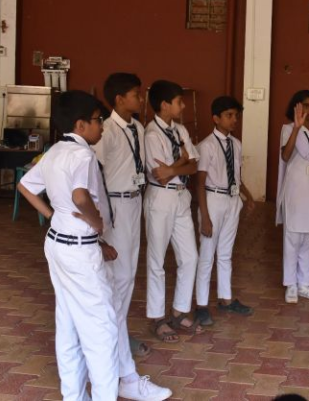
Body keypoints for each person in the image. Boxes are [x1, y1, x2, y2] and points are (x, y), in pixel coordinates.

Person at [18, 90, 172, 401]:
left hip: (59, 243)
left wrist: (53, 216)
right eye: (97, 121)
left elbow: (25, 186)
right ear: (80, 124)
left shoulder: (55, 151)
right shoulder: (83, 154)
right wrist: (96, 222)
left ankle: (74, 396)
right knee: (103, 329)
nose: (101, 126)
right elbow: (80, 196)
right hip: (79, 250)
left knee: (68, 324)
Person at [91, 73, 157, 384]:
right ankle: (113, 340)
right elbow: (94, 172)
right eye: (135, 95)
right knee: (118, 275)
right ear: (119, 99)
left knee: (129, 273)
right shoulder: (106, 130)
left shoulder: (138, 128)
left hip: (134, 202)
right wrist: (100, 216)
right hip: (115, 205)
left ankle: (118, 332)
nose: (140, 100)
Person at [143, 80, 202, 341]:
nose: (183, 106)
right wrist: (181, 161)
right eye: (179, 101)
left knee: (190, 257)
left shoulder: (180, 130)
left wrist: (174, 166)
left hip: (180, 196)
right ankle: (157, 317)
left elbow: (194, 165)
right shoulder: (151, 134)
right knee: (157, 260)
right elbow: (160, 175)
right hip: (160, 198)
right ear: (164, 105)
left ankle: (179, 310)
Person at [194, 96, 256, 326]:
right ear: (216, 118)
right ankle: (201, 305)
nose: (234, 120)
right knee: (207, 254)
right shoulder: (206, 146)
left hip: (232, 199)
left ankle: (226, 298)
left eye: (236, 116)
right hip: (213, 199)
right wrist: (205, 216)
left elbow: (237, 176)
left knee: (226, 252)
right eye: (229, 115)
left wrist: (247, 196)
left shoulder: (236, 144)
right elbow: (200, 182)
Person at [275, 90, 309, 304]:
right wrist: (297, 128)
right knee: (293, 236)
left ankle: (305, 283)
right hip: (295, 190)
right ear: (296, 108)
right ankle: (291, 284)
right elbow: (285, 156)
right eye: (306, 105)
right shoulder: (288, 128)